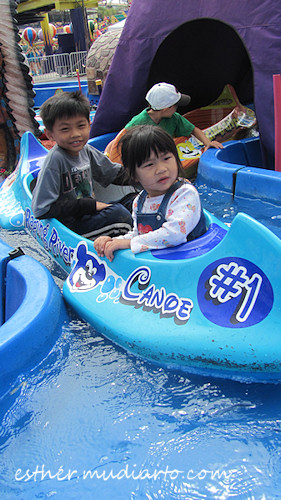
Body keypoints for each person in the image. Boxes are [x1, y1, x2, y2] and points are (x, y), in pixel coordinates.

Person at [32, 91, 135, 239]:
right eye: (65, 129)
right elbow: (41, 209)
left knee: (134, 201)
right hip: (71, 227)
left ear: (89, 124)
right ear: (50, 134)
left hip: (88, 214)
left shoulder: (85, 150)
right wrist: (89, 206)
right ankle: (128, 251)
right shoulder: (55, 160)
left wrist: (146, 176)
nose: (75, 134)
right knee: (118, 215)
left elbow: (115, 174)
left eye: (81, 126)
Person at [94, 125, 206, 261]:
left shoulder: (184, 194)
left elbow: (175, 234)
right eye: (149, 165)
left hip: (193, 259)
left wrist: (128, 243)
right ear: (133, 174)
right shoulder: (139, 201)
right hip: (162, 263)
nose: (161, 169)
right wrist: (113, 241)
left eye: (166, 158)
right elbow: (139, 234)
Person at [125, 82, 223, 151]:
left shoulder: (174, 118)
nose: (177, 108)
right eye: (176, 105)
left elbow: (194, 130)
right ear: (166, 108)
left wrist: (208, 143)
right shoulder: (137, 123)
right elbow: (124, 142)